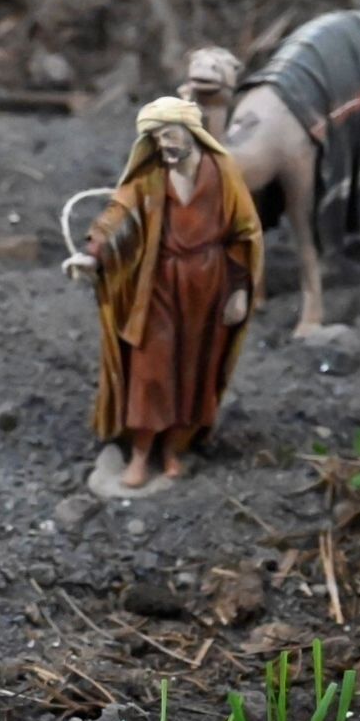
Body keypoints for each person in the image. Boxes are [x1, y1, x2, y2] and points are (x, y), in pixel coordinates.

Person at [63, 97, 263, 488]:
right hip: (160, 283)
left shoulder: (222, 173)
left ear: (191, 132)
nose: (164, 144)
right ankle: (140, 453)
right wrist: (93, 254)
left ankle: (173, 447)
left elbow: (244, 232)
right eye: (155, 138)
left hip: (209, 285)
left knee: (193, 369)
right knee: (150, 367)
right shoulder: (152, 175)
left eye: (169, 134)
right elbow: (116, 211)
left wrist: (238, 290)